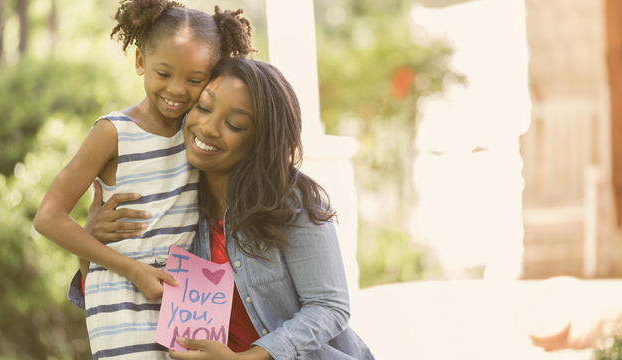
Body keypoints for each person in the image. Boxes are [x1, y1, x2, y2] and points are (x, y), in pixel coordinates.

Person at [81, 58, 375, 359]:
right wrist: (88, 246)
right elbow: (112, 298)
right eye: (204, 108)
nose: (207, 128)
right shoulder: (176, 202)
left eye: (234, 124)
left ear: (260, 141)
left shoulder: (291, 202)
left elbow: (329, 306)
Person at [34, 0, 254, 358]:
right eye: (163, 74)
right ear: (140, 62)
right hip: (123, 294)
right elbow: (48, 217)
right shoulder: (113, 133)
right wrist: (130, 269)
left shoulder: (201, 137)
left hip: (188, 297)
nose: (177, 90)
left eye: (194, 80)